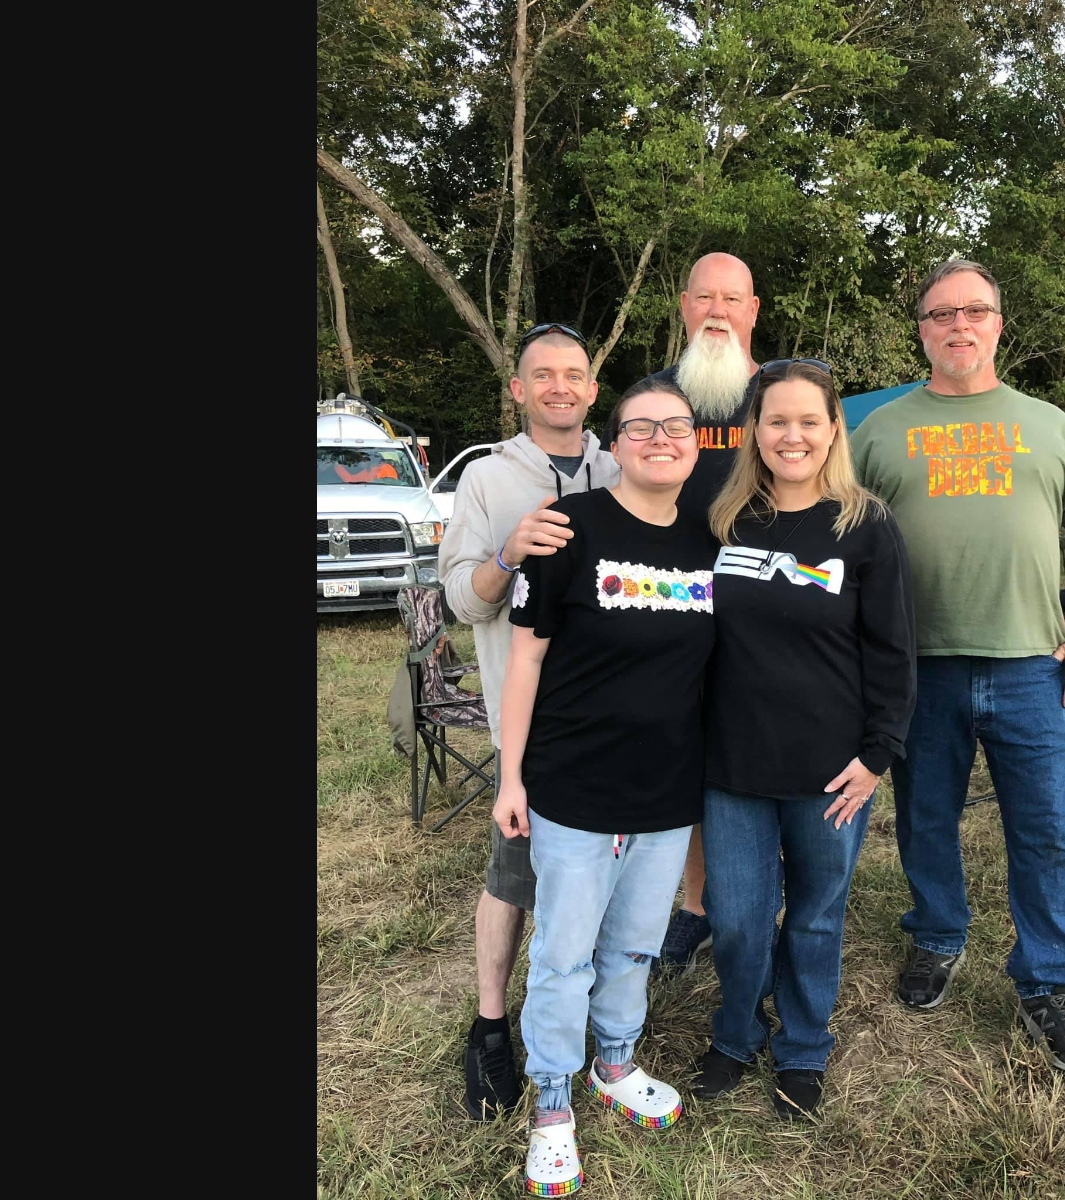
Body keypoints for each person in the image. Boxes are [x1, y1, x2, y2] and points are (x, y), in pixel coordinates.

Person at [848, 259, 1065, 1075]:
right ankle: (937, 934)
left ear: (999, 324)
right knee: (925, 815)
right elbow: (838, 539)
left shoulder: (1049, 425)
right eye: (941, 313)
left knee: (1045, 829)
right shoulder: (879, 431)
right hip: (917, 667)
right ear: (922, 330)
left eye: (974, 311)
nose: (958, 325)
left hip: (1034, 665)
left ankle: (1050, 980)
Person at [496, 378, 717, 1197]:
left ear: (696, 444)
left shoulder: (710, 539)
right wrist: (510, 777)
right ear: (614, 444)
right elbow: (526, 658)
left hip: (667, 788)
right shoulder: (569, 528)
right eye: (641, 427)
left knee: (634, 943)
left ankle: (614, 1063)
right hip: (572, 784)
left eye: (677, 426)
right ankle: (552, 1102)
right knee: (563, 955)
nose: (661, 439)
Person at [687, 360, 916, 1119]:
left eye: (808, 421)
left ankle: (804, 1046)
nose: (793, 435)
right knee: (737, 919)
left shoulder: (865, 525)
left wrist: (877, 755)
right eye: (776, 420)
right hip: (733, 763)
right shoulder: (722, 521)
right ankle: (736, 1032)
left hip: (832, 769)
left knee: (816, 915)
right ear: (753, 430)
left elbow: (894, 650)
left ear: (833, 429)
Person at [437, 323, 621, 1120]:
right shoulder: (486, 477)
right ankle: (489, 1026)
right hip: (533, 728)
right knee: (513, 880)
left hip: (616, 723)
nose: (559, 387)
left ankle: (601, 1028)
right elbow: (461, 600)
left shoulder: (625, 464)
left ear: (592, 388)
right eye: (542, 374)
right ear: (518, 389)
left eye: (573, 374)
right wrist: (509, 553)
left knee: (604, 881)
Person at [638, 252, 764, 976]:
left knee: (762, 756)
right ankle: (695, 909)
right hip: (676, 607)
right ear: (684, 306)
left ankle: (762, 905)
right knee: (688, 760)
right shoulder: (654, 399)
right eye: (705, 297)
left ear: (753, 310)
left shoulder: (782, 393)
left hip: (767, 610)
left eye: (732, 298)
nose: (718, 311)